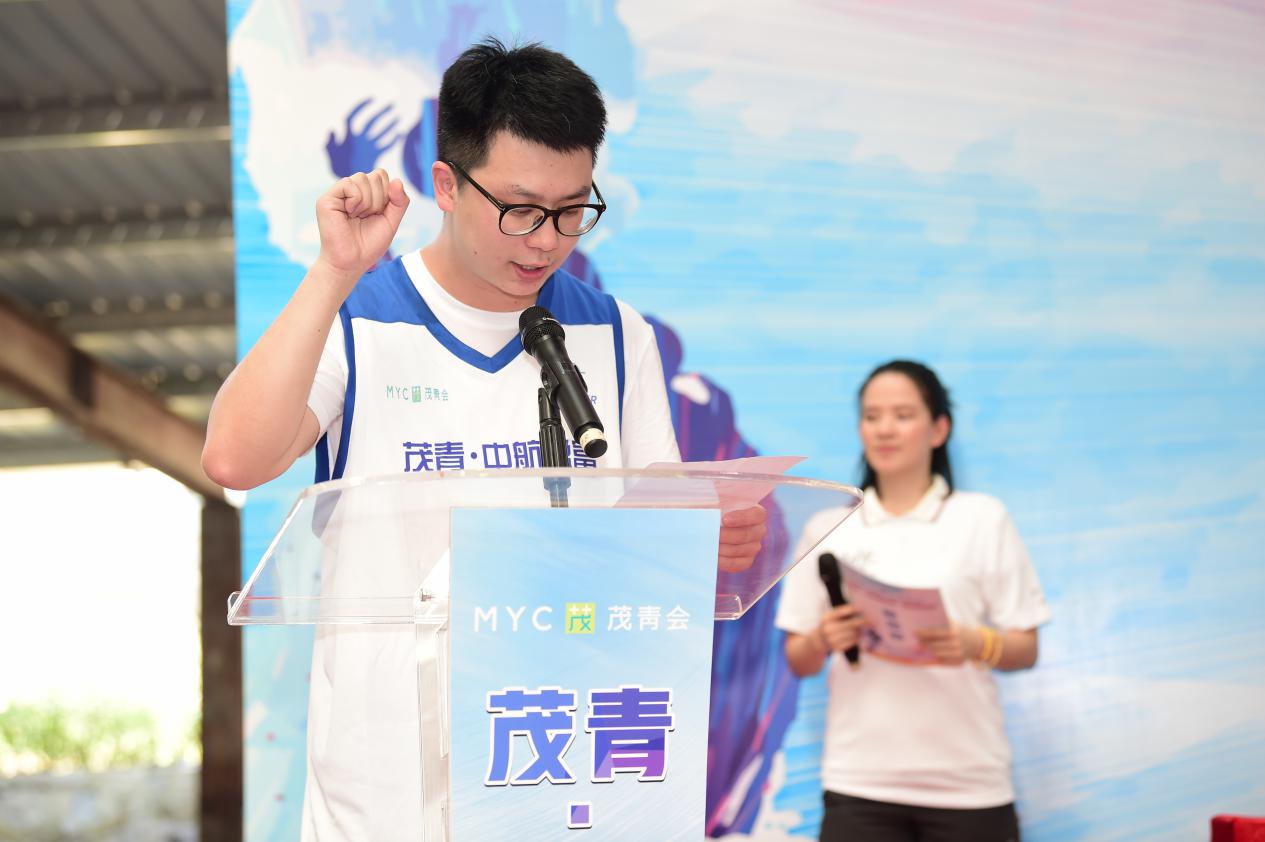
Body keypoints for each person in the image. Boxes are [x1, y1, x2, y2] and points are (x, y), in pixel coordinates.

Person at [202, 38, 766, 839]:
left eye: (572, 211)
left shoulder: (614, 335)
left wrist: (705, 540)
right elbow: (234, 458)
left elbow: (652, 535)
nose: (546, 240)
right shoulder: (357, 320)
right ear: (446, 185)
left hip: (560, 770)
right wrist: (333, 274)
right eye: (521, 209)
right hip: (390, 795)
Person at [775, 360, 1050, 842]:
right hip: (859, 783)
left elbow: (1025, 648)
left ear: (939, 429)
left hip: (969, 786)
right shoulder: (828, 527)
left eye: (903, 415)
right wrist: (823, 638)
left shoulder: (982, 518)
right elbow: (798, 660)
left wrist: (977, 643)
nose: (884, 429)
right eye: (872, 416)